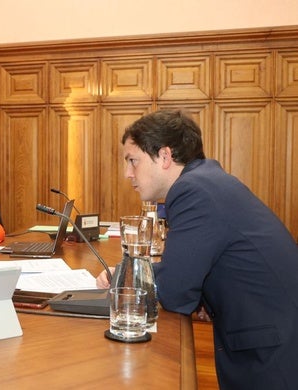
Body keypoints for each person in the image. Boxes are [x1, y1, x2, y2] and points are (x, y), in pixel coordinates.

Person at [96, 110, 298, 389]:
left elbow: (176, 292)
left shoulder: (194, 191)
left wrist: (127, 275)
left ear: (165, 157)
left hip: (275, 353)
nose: (127, 173)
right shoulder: (206, 181)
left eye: (133, 161)